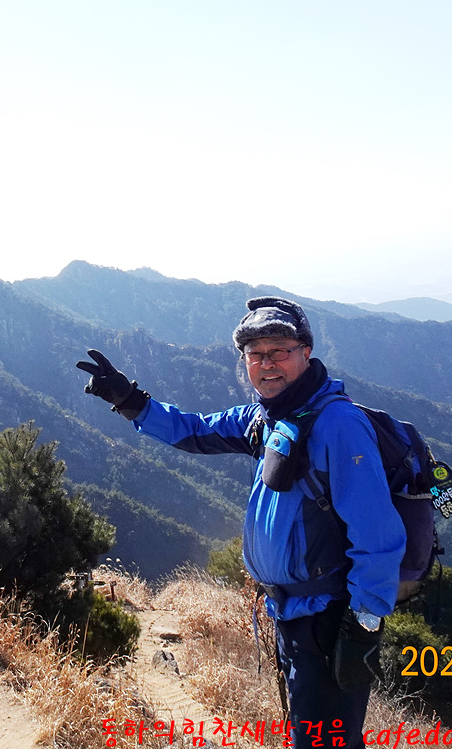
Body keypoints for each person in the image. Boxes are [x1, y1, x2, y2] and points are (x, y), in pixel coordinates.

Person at [77, 297, 405, 744]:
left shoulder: (338, 424)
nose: (267, 363)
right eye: (255, 354)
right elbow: (194, 430)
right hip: (290, 614)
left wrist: (364, 625)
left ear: (306, 353)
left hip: (329, 620)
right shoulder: (264, 419)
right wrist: (131, 401)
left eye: (279, 351)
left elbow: (378, 535)